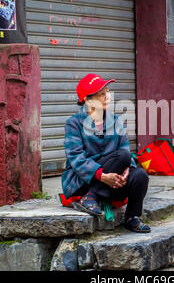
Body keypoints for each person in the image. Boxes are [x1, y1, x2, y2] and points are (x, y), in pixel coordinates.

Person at [61, 73, 151, 233]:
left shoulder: (115, 120)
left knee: (140, 175)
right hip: (84, 181)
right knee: (122, 157)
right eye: (102, 94)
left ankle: (132, 217)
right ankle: (90, 196)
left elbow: (125, 150)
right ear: (88, 100)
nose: (107, 96)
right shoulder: (74, 123)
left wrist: (126, 171)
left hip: (113, 180)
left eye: (107, 92)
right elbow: (76, 158)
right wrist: (102, 176)